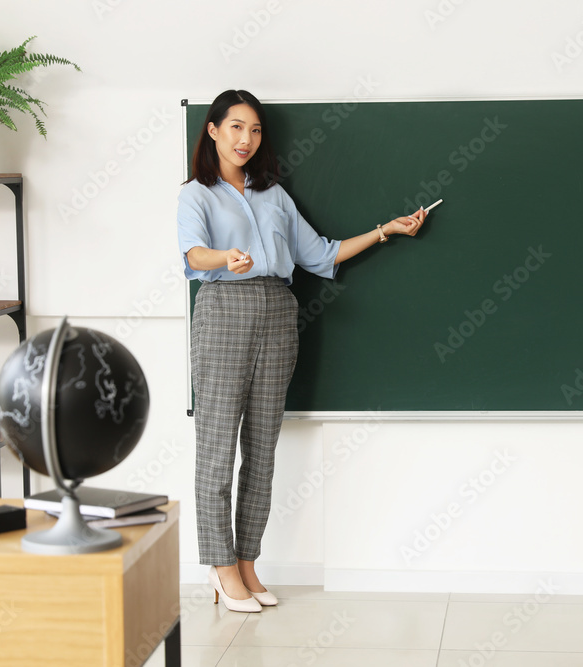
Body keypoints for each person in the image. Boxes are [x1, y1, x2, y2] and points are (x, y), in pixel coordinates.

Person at [177, 90, 427, 613]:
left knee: (262, 450)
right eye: (237, 128)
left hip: (278, 312)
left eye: (257, 130)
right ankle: (220, 568)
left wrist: (388, 230)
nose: (247, 139)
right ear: (214, 131)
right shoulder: (196, 194)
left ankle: (247, 563)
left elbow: (322, 254)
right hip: (224, 307)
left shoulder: (274, 196)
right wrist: (225, 257)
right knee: (218, 448)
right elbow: (193, 253)